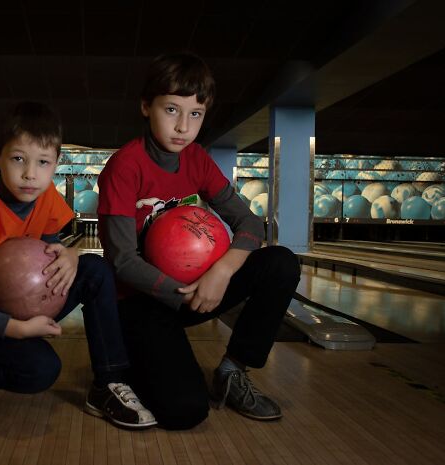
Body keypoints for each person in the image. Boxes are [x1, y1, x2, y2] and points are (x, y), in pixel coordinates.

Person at [97, 52, 301, 430]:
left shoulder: (197, 160)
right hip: (142, 304)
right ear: (146, 106)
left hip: (196, 291)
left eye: (196, 114)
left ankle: (232, 371)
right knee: (185, 411)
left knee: (281, 263)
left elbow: (250, 222)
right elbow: (122, 260)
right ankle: (126, 368)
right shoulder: (124, 167)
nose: (183, 126)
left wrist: (222, 271)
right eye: (171, 109)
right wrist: (184, 292)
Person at [0, 101, 156, 429]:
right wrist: (17, 329)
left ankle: (108, 383)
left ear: (56, 163)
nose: (30, 174)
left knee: (95, 270)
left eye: (43, 162)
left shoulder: (45, 197)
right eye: (18, 158)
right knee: (39, 370)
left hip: (19, 301)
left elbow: (52, 250)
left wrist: (69, 254)